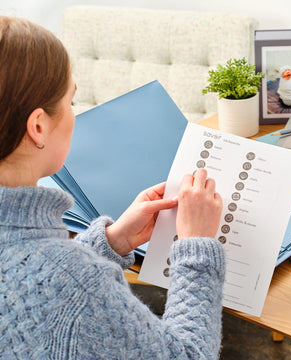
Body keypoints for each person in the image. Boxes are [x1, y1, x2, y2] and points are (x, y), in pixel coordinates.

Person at [0, 16, 225, 359]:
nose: (74, 114)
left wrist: (109, 242)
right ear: (38, 126)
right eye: (70, 101)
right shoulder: (77, 282)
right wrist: (196, 247)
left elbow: (34, 293)